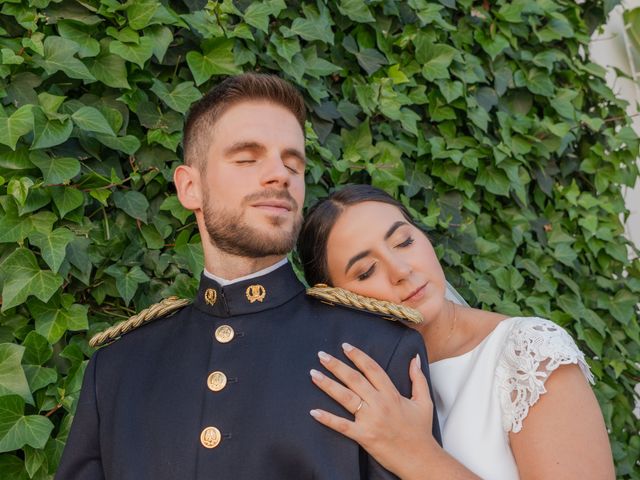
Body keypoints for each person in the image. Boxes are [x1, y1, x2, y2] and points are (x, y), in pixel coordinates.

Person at [55, 74, 440, 479]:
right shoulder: (117, 367)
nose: (280, 175)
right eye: (247, 158)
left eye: (293, 163)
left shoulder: (376, 350)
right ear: (190, 188)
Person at [298, 184, 615, 480]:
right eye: (366, 271)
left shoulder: (530, 355)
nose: (401, 270)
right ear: (335, 298)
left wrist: (417, 454)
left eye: (404, 242)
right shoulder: (351, 390)